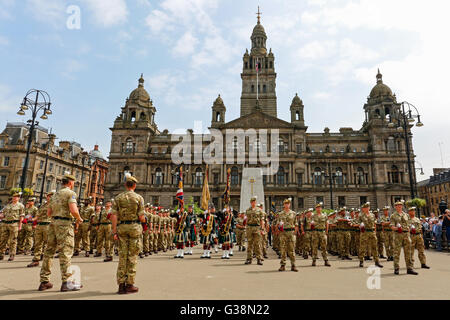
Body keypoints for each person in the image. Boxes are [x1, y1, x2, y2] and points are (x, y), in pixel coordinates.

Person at [38, 173, 84, 292]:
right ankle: (67, 282)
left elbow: (49, 213)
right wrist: (79, 218)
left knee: (49, 252)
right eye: (73, 182)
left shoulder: (54, 195)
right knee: (66, 253)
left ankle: (44, 281)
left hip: (53, 224)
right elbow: (73, 210)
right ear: (69, 183)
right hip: (64, 224)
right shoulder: (70, 193)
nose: (73, 184)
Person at [110, 174, 146, 294]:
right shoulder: (138, 198)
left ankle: (121, 285)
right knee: (132, 257)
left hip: (122, 228)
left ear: (125, 185)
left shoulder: (118, 198)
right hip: (134, 228)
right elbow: (141, 217)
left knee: (122, 256)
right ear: (134, 185)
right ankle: (129, 284)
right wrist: (145, 221)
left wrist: (114, 231)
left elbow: (113, 216)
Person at [28, 191, 54, 267]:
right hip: (39, 225)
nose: (49, 197)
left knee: (48, 243)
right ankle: (36, 259)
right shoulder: (43, 205)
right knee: (38, 243)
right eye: (48, 196)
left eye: (51, 196)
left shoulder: (55, 205)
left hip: (48, 225)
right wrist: (32, 220)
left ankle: (47, 260)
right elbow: (38, 215)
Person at [390, 200, 417, 275]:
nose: (399, 207)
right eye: (398, 206)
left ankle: (409, 268)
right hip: (398, 235)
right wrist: (397, 228)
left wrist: (410, 228)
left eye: (400, 205)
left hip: (406, 235)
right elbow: (392, 226)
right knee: (396, 252)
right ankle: (396, 268)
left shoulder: (406, 215)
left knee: (408, 252)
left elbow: (409, 224)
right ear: (395, 207)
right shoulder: (393, 216)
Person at [356, 203, 383, 268]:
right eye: (365, 207)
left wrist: (375, 231)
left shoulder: (372, 215)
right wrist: (361, 225)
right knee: (362, 247)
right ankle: (361, 261)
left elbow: (374, 224)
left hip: (372, 232)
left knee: (374, 247)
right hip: (364, 232)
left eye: (368, 207)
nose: (367, 208)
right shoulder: (361, 215)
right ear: (363, 209)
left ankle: (377, 262)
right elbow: (358, 223)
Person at [275, 198, 298, 272]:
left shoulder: (293, 213)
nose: (287, 205)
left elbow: (296, 224)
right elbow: (277, 224)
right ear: (284, 205)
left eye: (288, 203)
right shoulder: (280, 214)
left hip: (291, 232)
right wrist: (278, 230)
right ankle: (283, 265)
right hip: (283, 233)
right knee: (283, 249)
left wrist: (295, 233)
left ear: (290, 204)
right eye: (285, 203)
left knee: (291, 249)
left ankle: (293, 265)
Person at [0, 192, 25, 261]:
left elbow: (21, 216)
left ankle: (12, 254)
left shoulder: (20, 206)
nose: (15, 198)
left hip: (14, 224)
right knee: (2, 240)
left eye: (16, 197)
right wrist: (1, 215)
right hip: (5, 224)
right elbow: (3, 213)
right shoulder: (8, 205)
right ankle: (1, 254)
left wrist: (20, 226)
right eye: (14, 196)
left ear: (19, 198)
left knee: (13, 240)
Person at [244, 196, 265, 265]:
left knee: (257, 244)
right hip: (249, 228)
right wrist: (246, 228)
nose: (253, 203)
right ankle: (249, 259)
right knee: (249, 244)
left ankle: (259, 259)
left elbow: (262, 220)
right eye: (252, 202)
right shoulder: (247, 210)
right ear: (250, 202)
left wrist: (262, 229)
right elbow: (246, 220)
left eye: (254, 201)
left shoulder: (259, 210)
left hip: (257, 228)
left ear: (255, 202)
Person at [311, 203, 331, 267]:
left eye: (319, 208)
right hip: (315, 232)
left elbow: (327, 223)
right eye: (317, 208)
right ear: (316, 209)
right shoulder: (313, 216)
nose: (318, 209)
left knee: (324, 247)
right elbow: (311, 224)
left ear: (321, 208)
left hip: (322, 232)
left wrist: (327, 231)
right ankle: (314, 260)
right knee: (314, 247)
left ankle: (326, 260)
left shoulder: (324, 215)